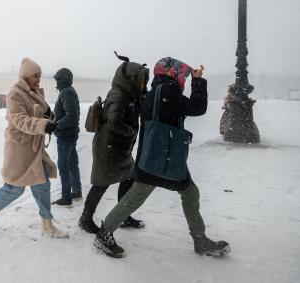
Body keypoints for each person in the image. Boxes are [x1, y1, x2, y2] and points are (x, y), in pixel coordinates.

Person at [94, 57, 231, 258]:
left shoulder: (157, 92)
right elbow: (197, 108)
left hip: (155, 156)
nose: (183, 78)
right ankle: (199, 239)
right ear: (171, 73)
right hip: (163, 157)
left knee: (148, 195)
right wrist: (198, 81)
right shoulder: (166, 92)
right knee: (186, 192)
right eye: (181, 74)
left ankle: (104, 233)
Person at [0, 57, 67, 240]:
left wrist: (50, 116)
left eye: (40, 75)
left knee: (43, 184)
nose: (38, 79)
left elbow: (42, 113)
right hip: (20, 150)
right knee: (14, 188)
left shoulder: (35, 92)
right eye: (35, 76)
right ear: (26, 76)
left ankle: (47, 225)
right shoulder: (15, 94)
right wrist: (43, 125)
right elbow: (19, 120)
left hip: (35, 149)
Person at [78, 53, 149, 234]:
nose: (143, 84)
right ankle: (85, 218)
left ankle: (123, 214)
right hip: (108, 148)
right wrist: (131, 132)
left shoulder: (130, 94)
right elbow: (113, 122)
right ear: (131, 78)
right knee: (102, 183)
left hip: (119, 148)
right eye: (141, 80)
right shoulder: (119, 95)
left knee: (128, 178)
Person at [50, 68, 82, 206]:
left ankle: (66, 197)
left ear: (62, 79)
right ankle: (76, 191)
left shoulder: (66, 92)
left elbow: (71, 116)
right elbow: (66, 114)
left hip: (66, 135)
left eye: (57, 79)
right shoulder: (68, 91)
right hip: (69, 134)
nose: (56, 82)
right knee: (72, 163)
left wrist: (56, 126)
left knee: (63, 166)